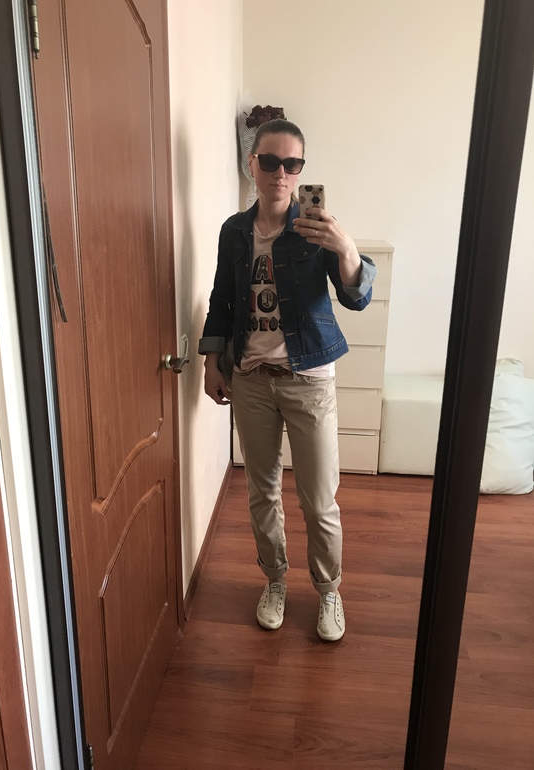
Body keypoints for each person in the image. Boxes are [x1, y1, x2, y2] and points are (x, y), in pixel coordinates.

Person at [198, 119, 376, 641]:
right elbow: (221, 297)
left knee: (319, 500)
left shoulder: (315, 229)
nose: (281, 173)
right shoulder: (234, 231)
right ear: (252, 164)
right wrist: (211, 360)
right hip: (251, 379)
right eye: (271, 161)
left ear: (301, 171)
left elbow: (356, 297)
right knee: (263, 492)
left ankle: (328, 590)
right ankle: (274, 580)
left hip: (309, 379)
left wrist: (345, 248)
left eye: (292, 163)